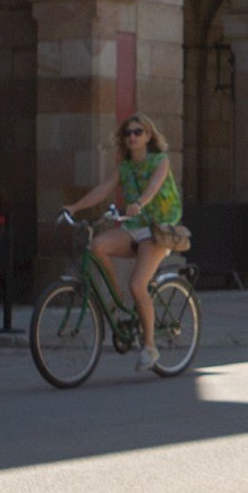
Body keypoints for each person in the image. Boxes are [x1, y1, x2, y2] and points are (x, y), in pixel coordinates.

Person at [63, 114, 184, 367]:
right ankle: (116, 297)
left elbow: (153, 187)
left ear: (148, 136)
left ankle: (150, 347)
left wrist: (139, 203)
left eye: (138, 132)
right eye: (128, 133)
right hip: (134, 226)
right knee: (97, 246)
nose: (132, 137)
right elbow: (103, 189)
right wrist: (75, 207)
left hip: (158, 228)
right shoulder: (124, 167)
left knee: (138, 285)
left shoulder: (160, 161)